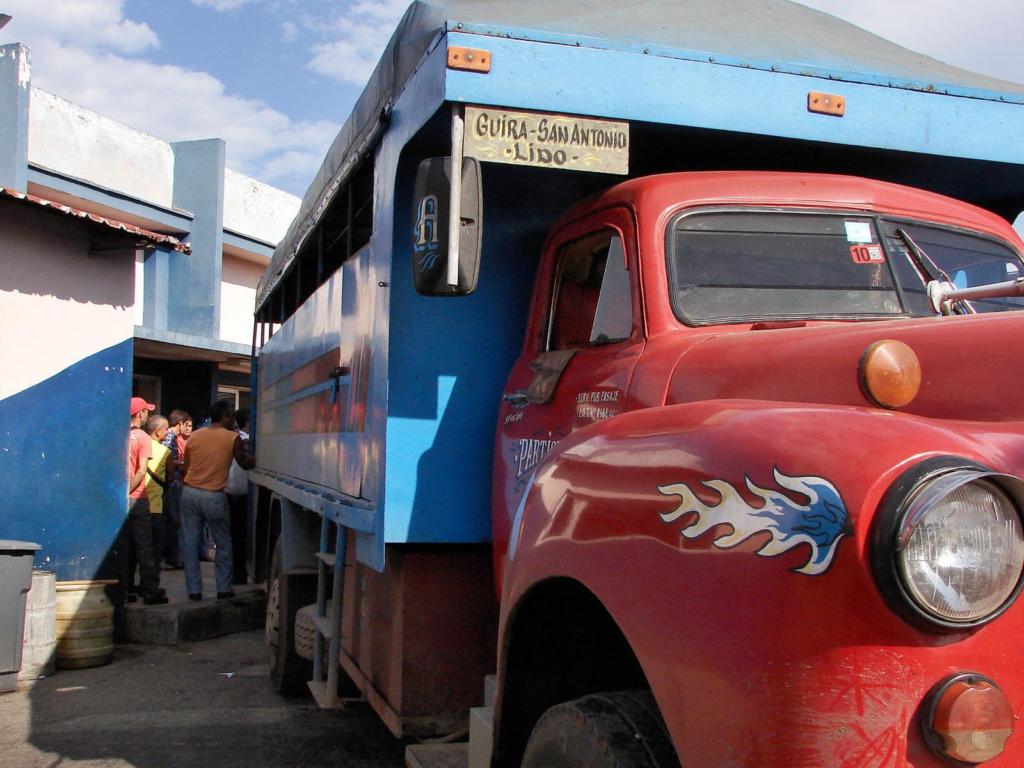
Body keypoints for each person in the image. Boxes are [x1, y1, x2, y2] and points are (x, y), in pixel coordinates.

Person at [180, 400, 255, 601]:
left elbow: (186, 466)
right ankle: (223, 588)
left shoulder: (194, 436)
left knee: (190, 543)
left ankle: (194, 591)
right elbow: (245, 463)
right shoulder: (233, 438)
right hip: (214, 495)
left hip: (190, 492)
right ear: (223, 417)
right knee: (223, 544)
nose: (233, 420)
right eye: (230, 415)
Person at [124, 397, 167, 606]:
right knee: (144, 547)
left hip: (123, 501)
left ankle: (126, 589)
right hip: (138, 498)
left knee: (126, 548)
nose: (147, 415)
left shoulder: (122, 435)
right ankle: (150, 591)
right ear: (140, 414)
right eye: (146, 412)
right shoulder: (142, 437)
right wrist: (130, 490)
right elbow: (142, 470)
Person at [160, 410, 191, 569]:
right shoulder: (170, 436)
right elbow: (166, 458)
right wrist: (181, 464)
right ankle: (169, 558)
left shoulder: (172, 437)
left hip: (171, 483)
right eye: (186, 424)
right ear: (180, 423)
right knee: (173, 521)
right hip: (171, 484)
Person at [225, 408, 250, 585]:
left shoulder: (231, 439)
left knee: (233, 537)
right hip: (239, 496)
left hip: (229, 493)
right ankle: (237, 574)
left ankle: (234, 575)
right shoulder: (244, 441)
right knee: (238, 538)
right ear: (248, 422)